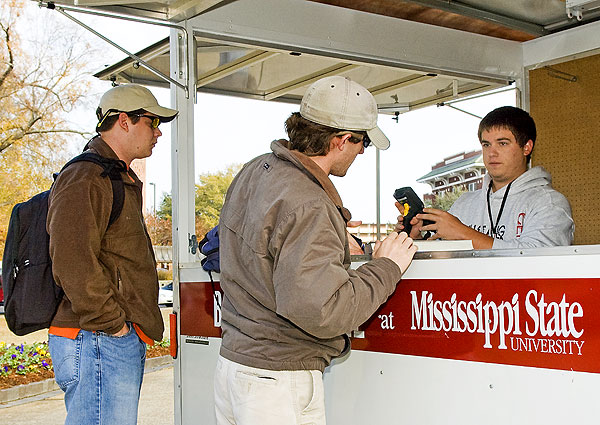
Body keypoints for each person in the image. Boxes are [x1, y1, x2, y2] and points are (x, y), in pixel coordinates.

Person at [214, 76, 417, 425]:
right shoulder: (310, 203)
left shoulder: (256, 170)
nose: (363, 151)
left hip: (235, 368)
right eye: (363, 141)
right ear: (341, 140)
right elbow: (323, 311)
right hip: (277, 383)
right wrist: (385, 266)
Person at [46, 84, 178, 425]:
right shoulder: (87, 175)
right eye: (151, 122)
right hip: (98, 338)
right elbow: (72, 261)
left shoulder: (114, 176)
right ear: (124, 121)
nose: (158, 132)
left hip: (104, 338)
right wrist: (113, 325)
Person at [398, 106, 574, 249]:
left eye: (503, 143)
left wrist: (463, 233)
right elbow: (442, 258)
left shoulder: (549, 204)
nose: (492, 153)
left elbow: (540, 262)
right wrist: (418, 237)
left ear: (526, 147)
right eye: (486, 144)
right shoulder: (464, 203)